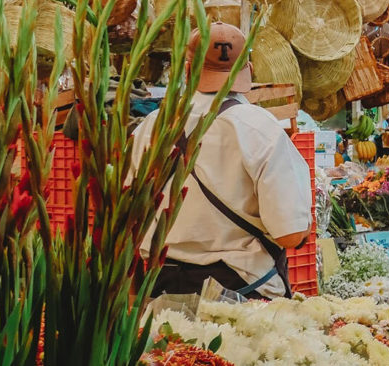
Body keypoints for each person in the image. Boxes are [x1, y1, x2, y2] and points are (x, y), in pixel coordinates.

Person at [132, 23, 312, 300]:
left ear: (189, 70)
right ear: (248, 71)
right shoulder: (262, 129)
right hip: (241, 294)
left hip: (161, 291)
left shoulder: (151, 127)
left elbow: (128, 213)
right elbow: (290, 234)